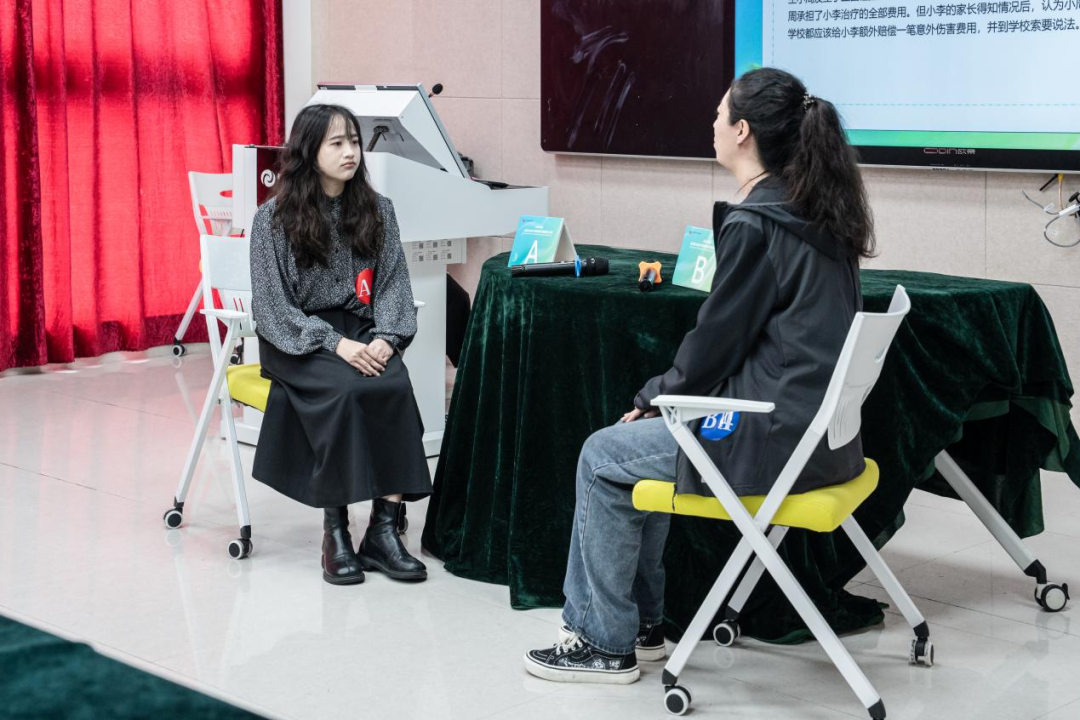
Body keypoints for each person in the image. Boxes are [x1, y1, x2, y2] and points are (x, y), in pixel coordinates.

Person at [523, 67, 877, 684]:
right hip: (827, 443)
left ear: (742, 131)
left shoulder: (760, 223)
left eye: (718, 114)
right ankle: (642, 628)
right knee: (640, 450)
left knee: (603, 455)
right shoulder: (821, 212)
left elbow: (715, 345)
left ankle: (601, 641)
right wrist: (665, 402)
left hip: (772, 437)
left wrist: (653, 397)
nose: (711, 123)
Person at [249, 104, 431, 586]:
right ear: (310, 151)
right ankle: (335, 531)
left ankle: (383, 532)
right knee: (347, 392)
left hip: (363, 327)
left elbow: (393, 283)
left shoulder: (378, 210)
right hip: (298, 337)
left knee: (393, 386)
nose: (350, 151)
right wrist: (335, 344)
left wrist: (388, 338)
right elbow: (272, 308)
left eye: (353, 141)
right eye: (337, 143)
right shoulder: (272, 220)